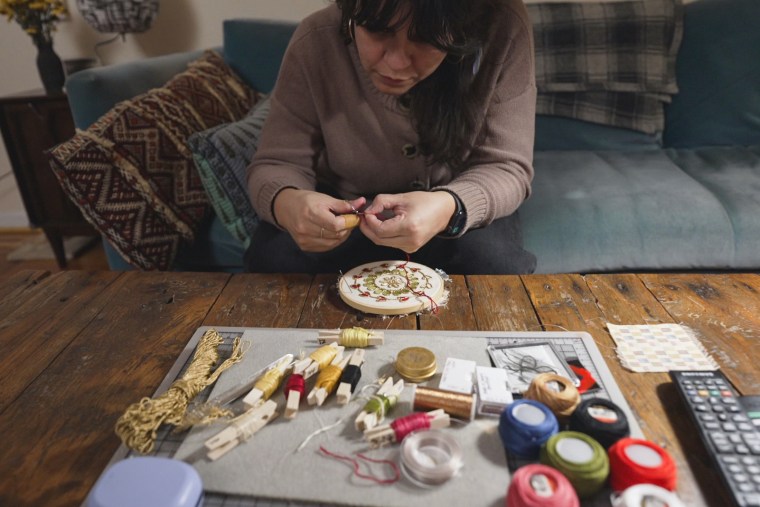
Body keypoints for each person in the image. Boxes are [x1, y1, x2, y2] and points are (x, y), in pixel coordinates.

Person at [245, 0, 537, 275]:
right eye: (377, 30)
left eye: (426, 37)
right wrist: (289, 203)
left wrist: (450, 206)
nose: (396, 63)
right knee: (272, 257)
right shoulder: (316, 39)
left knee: (494, 264)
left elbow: (506, 167)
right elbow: (276, 162)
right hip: (345, 209)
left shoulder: (501, 23)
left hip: (456, 207)